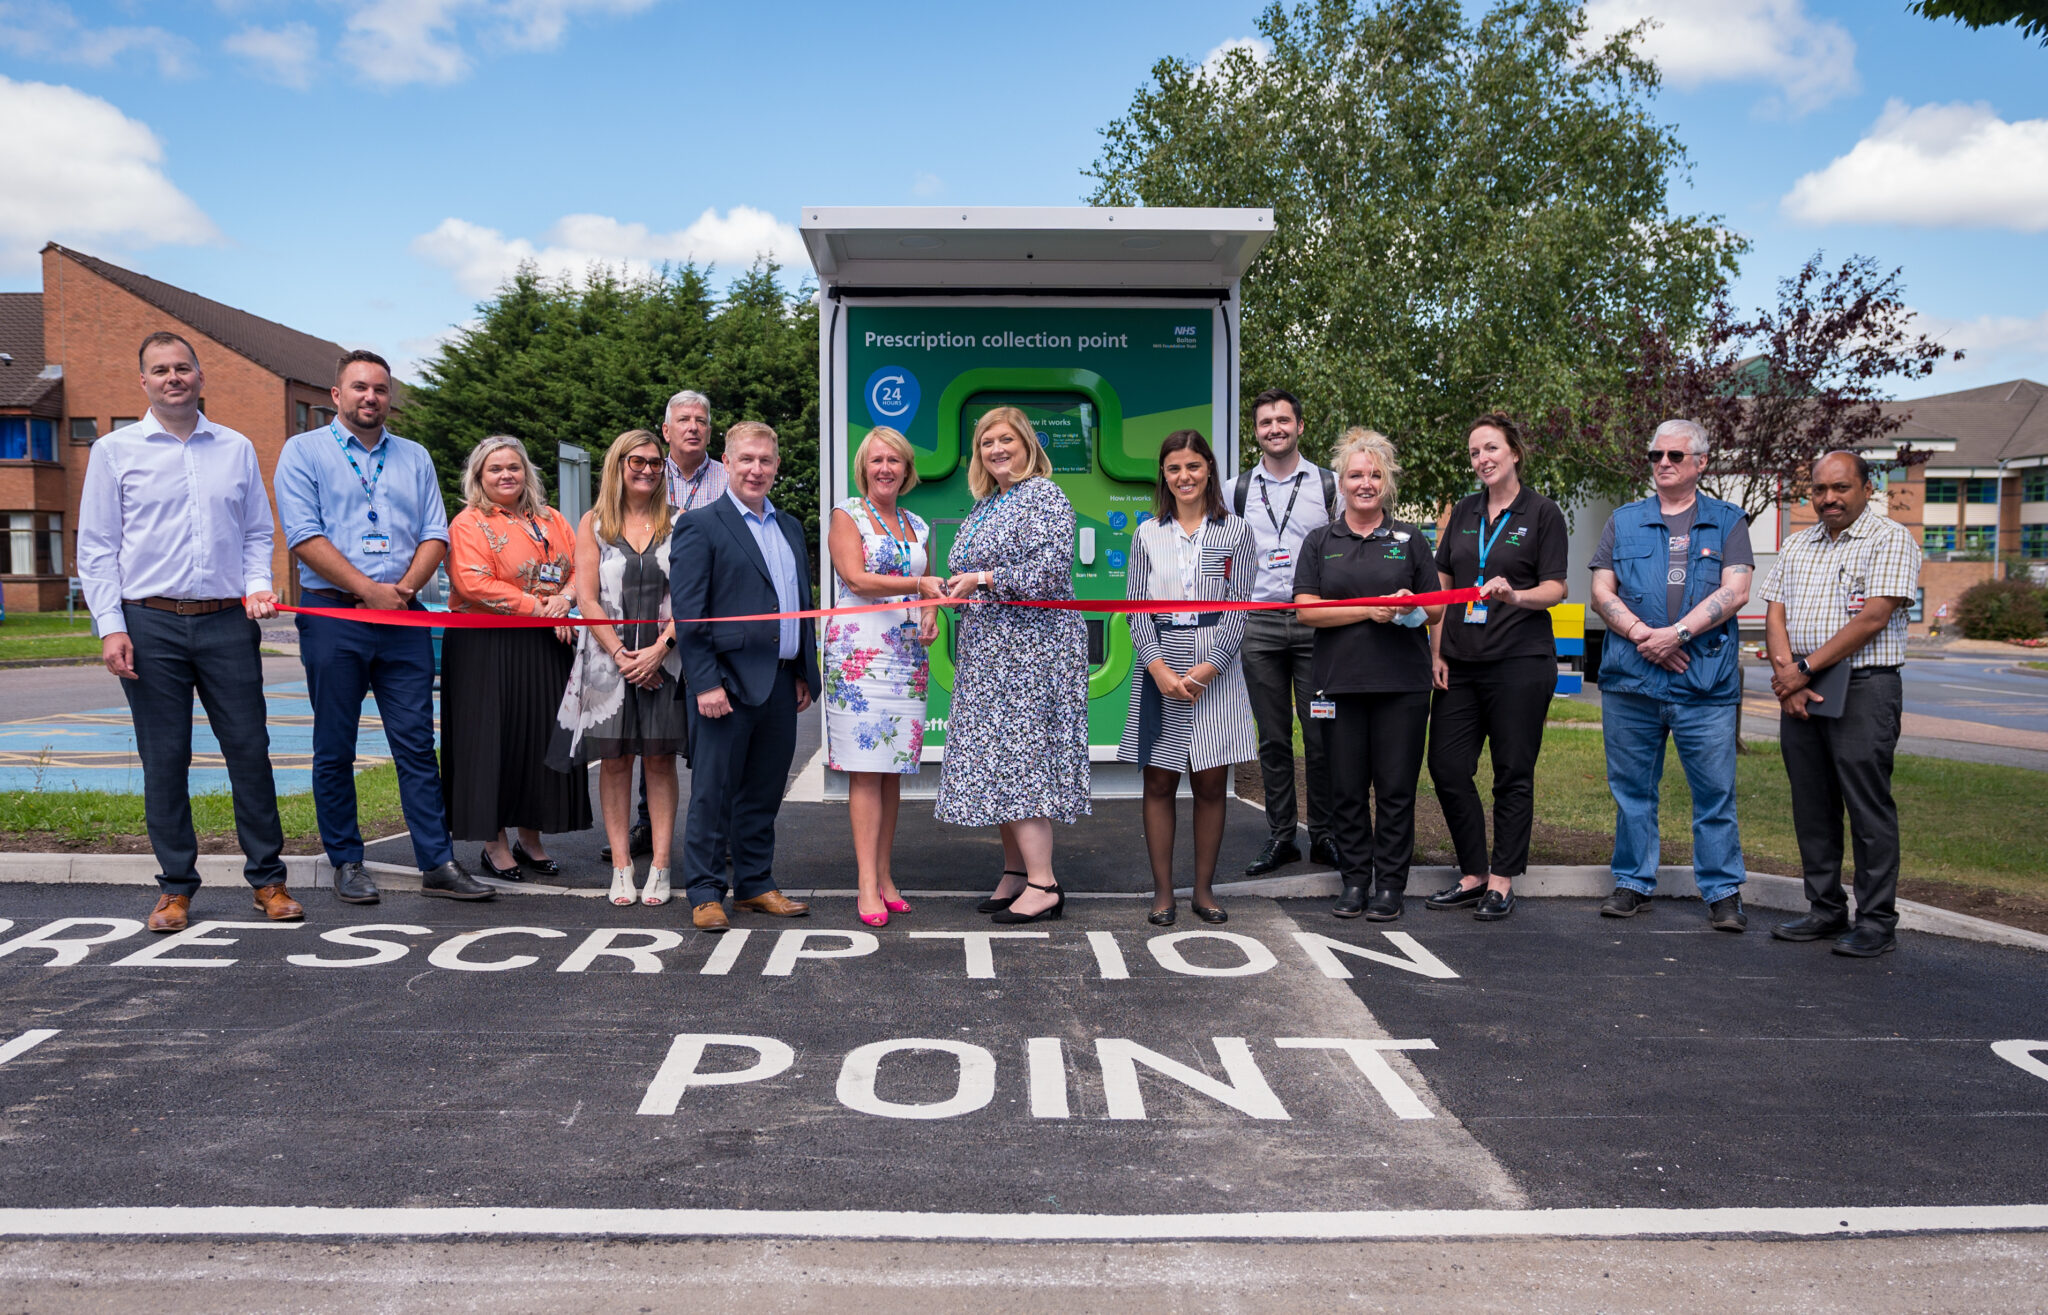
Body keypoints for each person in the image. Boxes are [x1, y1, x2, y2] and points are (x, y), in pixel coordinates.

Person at [76, 331, 299, 933]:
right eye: (160, 370)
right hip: (148, 624)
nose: (173, 377)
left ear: (201, 376)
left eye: (182, 368)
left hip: (227, 621)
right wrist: (109, 627)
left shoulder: (235, 447)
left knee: (250, 752)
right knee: (165, 759)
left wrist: (257, 584)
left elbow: (258, 532)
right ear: (143, 381)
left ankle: (269, 882)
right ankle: (175, 888)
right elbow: (96, 548)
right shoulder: (114, 451)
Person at [274, 349, 494, 904]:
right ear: (337, 395)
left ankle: (438, 864)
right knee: (335, 746)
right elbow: (303, 535)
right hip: (334, 615)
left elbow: (434, 532)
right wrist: (370, 591)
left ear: (388, 397)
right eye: (359, 388)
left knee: (417, 746)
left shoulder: (414, 456)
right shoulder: (303, 453)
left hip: (403, 617)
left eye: (379, 389)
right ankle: (348, 862)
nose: (370, 397)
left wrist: (402, 592)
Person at [1588, 418, 1755, 930]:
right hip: (1631, 683)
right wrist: (1646, 636)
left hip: (1703, 685)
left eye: (1675, 456)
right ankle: (1633, 882)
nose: (1663, 463)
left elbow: (1737, 590)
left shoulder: (1728, 521)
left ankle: (1723, 891)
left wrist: (1676, 634)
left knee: (1714, 793)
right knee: (1632, 789)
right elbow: (1601, 590)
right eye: (1656, 455)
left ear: (1701, 463)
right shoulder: (1624, 520)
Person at [934, 406, 1091, 923]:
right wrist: (957, 584)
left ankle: (1044, 884)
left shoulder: (1043, 494)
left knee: (1021, 762)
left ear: (1027, 444)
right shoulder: (986, 503)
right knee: (999, 762)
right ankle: (1017, 873)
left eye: (1006, 440)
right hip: (990, 652)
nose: (996, 450)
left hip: (1032, 652)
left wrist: (981, 580)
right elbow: (971, 568)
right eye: (986, 443)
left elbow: (1048, 572)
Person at [1763, 451, 1922, 958]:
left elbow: (1874, 617)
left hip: (1863, 686)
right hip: (1801, 685)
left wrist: (1801, 672)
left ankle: (1876, 921)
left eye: (1840, 488)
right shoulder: (1796, 543)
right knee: (1812, 805)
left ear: (1866, 488)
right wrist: (1790, 675)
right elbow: (1775, 610)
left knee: (1866, 806)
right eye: (1819, 489)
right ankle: (1825, 909)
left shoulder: (1890, 539)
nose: (1828, 498)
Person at [671, 421, 819, 933]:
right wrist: (705, 682)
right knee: (713, 791)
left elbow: (798, 603)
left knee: (763, 790)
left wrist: (803, 671)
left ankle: (755, 885)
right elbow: (689, 614)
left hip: (780, 683)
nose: (756, 469)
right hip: (724, 685)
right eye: (746, 460)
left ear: (777, 466)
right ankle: (706, 892)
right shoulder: (700, 524)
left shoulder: (791, 527)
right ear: (727, 464)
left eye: (766, 460)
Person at [1293, 428, 1445, 921]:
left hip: (1401, 684)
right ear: (1340, 481)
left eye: (1375, 474)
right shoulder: (1321, 540)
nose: (1365, 483)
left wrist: (1407, 607)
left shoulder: (1410, 538)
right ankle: (1356, 881)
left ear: (1387, 482)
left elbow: (1437, 613)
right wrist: (1367, 610)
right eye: (1356, 474)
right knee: (1347, 789)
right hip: (1339, 683)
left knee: (1397, 788)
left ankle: (1390, 887)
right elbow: (1307, 613)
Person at [1424, 414, 1570, 922]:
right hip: (1460, 663)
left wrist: (1517, 594)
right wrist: (1437, 650)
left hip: (1520, 663)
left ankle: (1502, 880)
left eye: (1490, 449)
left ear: (1514, 453)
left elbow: (1557, 587)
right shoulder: (1463, 511)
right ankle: (1472, 872)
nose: (1481, 459)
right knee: (1445, 765)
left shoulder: (1543, 512)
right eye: (1473, 453)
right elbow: (1444, 586)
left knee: (1512, 772)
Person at [1118, 430, 1257, 926]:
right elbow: (1135, 609)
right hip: (1160, 660)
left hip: (1213, 664)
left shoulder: (1235, 532)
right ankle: (1162, 894)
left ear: (1209, 470)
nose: (1184, 477)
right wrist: (1157, 667)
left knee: (1211, 783)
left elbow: (1239, 609)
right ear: (1164, 475)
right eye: (1174, 468)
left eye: (1194, 466)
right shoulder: (1146, 533)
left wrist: (1206, 669)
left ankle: (1203, 890)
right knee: (1157, 782)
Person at [440, 434, 591, 881]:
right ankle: (494, 844)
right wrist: (539, 609)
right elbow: (473, 584)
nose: (506, 475)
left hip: (548, 644)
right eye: (495, 469)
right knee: (493, 743)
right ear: (479, 477)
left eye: (514, 467)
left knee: (540, 742)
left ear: (526, 472)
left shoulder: (552, 519)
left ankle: (531, 838)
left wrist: (563, 601)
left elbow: (584, 564)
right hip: (487, 645)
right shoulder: (468, 523)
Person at [550, 431, 685, 907]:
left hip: (665, 661)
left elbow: (690, 597)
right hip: (608, 666)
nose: (647, 470)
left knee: (660, 761)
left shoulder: (680, 522)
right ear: (618, 465)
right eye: (637, 461)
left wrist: (658, 650)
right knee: (615, 761)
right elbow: (585, 597)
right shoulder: (595, 523)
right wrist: (624, 655)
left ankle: (662, 866)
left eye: (655, 463)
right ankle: (623, 868)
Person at [604, 389, 731, 865]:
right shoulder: (649, 477)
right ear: (666, 429)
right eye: (684, 419)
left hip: (710, 619)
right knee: (647, 738)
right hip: (648, 625)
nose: (693, 426)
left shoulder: (726, 476)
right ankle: (645, 828)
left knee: (708, 734)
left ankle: (719, 833)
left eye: (701, 419)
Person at [825, 426, 940, 927]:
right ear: (863, 467)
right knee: (866, 771)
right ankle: (865, 883)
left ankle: (886, 875)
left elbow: (929, 590)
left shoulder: (917, 523)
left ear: (907, 468)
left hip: (907, 659)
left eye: (894, 460)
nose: (885, 468)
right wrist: (919, 584)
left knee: (893, 772)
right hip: (859, 657)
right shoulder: (846, 514)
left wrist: (932, 613)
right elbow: (856, 579)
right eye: (876, 460)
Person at [1233, 388, 1341, 876]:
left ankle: (1324, 835)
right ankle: (1281, 838)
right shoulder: (1237, 490)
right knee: (1273, 739)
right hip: (1258, 627)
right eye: (1264, 422)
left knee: (1321, 734)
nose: (1274, 428)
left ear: (1300, 425)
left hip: (1315, 627)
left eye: (1282, 420)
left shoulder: (1328, 485)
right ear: (1254, 431)